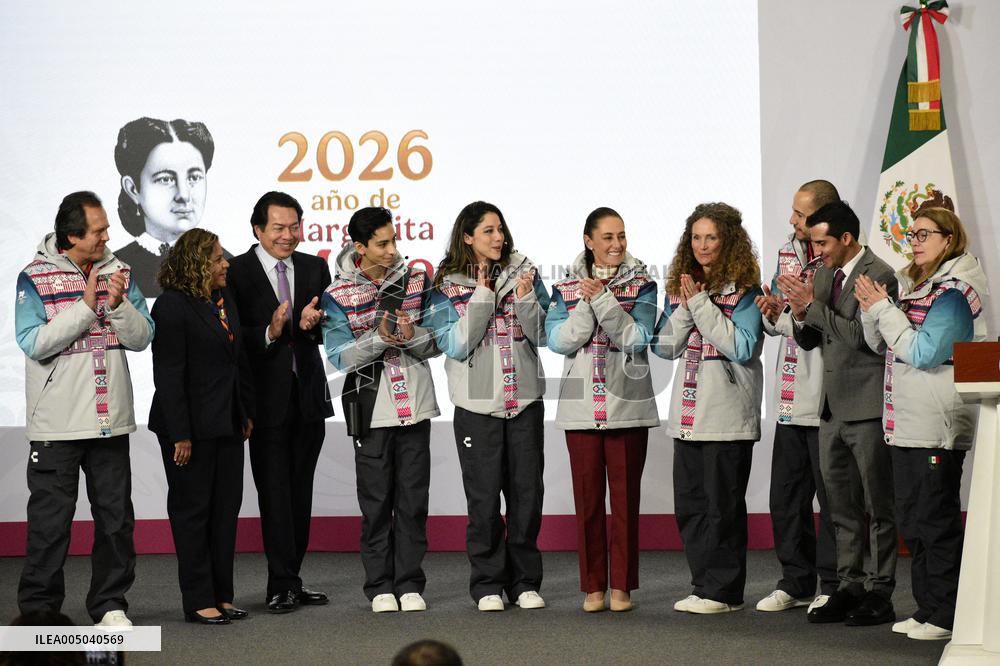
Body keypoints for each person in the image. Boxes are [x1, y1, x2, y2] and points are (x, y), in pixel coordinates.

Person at [15, 191, 154, 629]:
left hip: (109, 421)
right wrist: (86, 306)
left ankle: (110, 604)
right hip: (55, 427)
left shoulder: (122, 272)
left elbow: (143, 336)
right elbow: (33, 343)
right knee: (49, 527)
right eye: (98, 231)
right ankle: (39, 613)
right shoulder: (33, 277)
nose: (107, 237)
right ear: (71, 235)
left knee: (115, 521)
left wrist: (117, 306)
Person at [856, 207, 988, 641]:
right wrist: (871, 309)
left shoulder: (955, 291)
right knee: (914, 521)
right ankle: (928, 607)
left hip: (937, 421)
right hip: (907, 421)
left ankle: (947, 613)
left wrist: (884, 310)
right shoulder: (917, 284)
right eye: (911, 234)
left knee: (936, 521)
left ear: (949, 239)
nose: (913, 241)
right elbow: (884, 345)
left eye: (924, 234)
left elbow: (926, 353)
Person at [779, 199, 899, 626]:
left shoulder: (880, 275)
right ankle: (849, 585)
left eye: (822, 242)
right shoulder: (827, 274)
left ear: (847, 238)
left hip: (866, 408)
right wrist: (797, 312)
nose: (817, 252)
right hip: (830, 409)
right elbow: (814, 340)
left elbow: (865, 339)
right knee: (840, 505)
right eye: (812, 243)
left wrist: (813, 307)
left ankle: (880, 590)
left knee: (877, 503)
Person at [426, 201, 549, 612]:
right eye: (488, 231)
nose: (498, 238)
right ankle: (487, 584)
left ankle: (525, 581)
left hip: (524, 401)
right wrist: (483, 295)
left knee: (526, 495)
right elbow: (457, 344)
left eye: (500, 230)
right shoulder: (447, 282)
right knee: (483, 500)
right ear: (467, 237)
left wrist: (528, 299)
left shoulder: (525, 271)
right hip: (477, 406)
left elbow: (544, 336)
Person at [322, 207, 440, 613]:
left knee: (413, 502)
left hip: (416, 406)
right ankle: (379, 586)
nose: (393, 250)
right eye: (382, 243)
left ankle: (410, 583)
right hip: (370, 411)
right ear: (360, 247)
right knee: (375, 505)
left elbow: (436, 344)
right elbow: (339, 357)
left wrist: (413, 334)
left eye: (394, 240)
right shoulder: (336, 294)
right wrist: (379, 338)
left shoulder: (417, 281)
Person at [652, 202, 764, 614]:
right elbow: (665, 347)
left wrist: (700, 304)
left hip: (728, 417)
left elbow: (742, 346)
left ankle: (725, 592)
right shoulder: (683, 289)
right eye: (696, 237)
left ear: (728, 241)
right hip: (687, 416)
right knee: (692, 508)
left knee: (723, 510)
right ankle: (702, 585)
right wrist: (687, 304)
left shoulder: (748, 290)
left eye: (711, 237)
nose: (702, 246)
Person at [226, 191, 334, 613]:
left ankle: (292, 577)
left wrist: (311, 324)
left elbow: (330, 329)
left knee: (300, 493)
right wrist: (270, 332)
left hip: (307, 397)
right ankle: (281, 583)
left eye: (294, 226)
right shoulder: (234, 270)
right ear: (258, 229)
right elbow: (232, 337)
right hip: (263, 402)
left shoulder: (314, 266)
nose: (288, 235)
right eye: (278, 228)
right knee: (274, 495)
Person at [546, 207, 658, 613]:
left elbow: (637, 338)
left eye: (622, 236)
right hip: (580, 410)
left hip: (628, 407)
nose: (617, 245)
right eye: (608, 237)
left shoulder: (643, 283)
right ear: (589, 242)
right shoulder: (564, 286)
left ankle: (622, 587)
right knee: (588, 502)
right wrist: (585, 302)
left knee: (626, 502)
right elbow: (559, 341)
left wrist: (605, 300)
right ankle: (593, 586)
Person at [148, 228, 255, 625]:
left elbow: (235, 361)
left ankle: (221, 595)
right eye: (216, 258)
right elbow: (170, 376)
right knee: (193, 513)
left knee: (226, 511)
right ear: (197, 264)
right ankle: (198, 599)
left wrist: (244, 411)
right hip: (188, 430)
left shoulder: (223, 299)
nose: (225, 263)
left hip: (227, 422)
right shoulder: (171, 307)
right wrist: (181, 434)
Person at [753, 180, 842, 613]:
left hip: (827, 398)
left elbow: (826, 327)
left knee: (832, 498)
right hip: (788, 396)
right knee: (786, 497)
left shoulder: (840, 260)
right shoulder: (788, 251)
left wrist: (794, 315)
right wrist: (772, 313)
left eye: (800, 215)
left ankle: (832, 582)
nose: (792, 221)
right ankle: (795, 580)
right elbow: (782, 320)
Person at [113, 116, 222, 298]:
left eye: (194, 177)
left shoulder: (227, 266)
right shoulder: (116, 269)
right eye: (166, 179)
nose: (184, 195)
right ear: (132, 188)